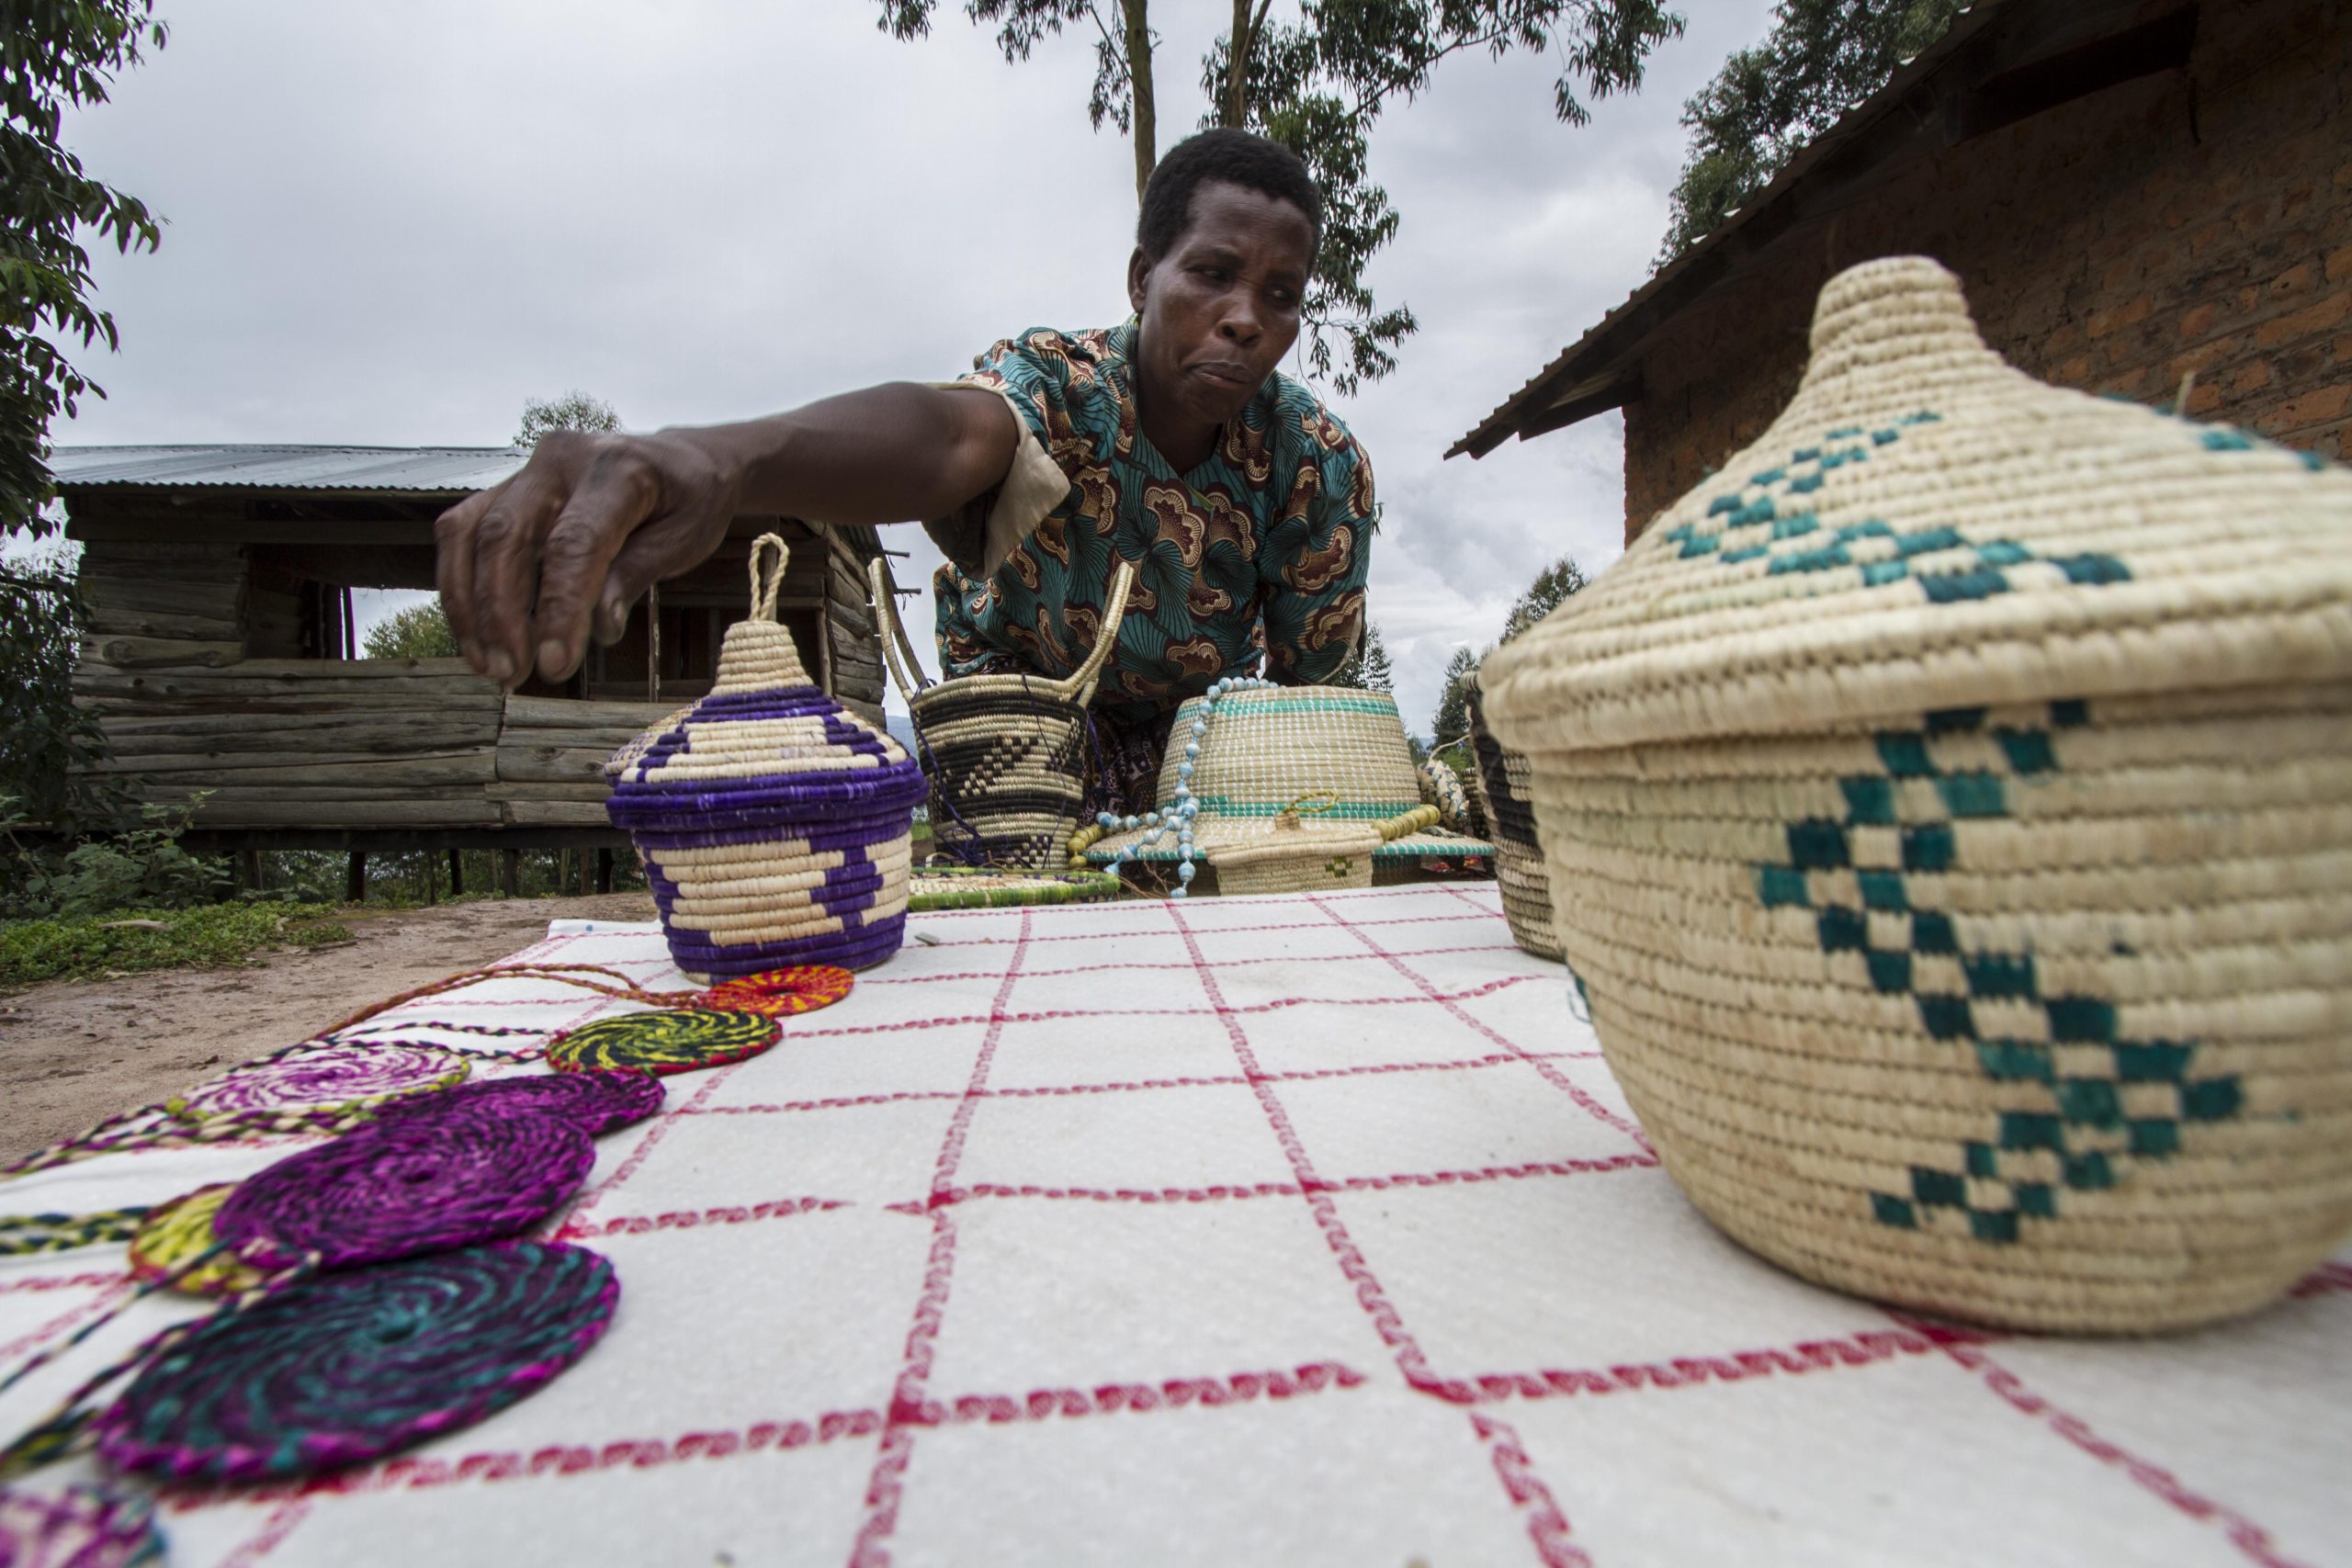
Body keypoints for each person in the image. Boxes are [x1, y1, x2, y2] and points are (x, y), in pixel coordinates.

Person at [433, 129, 1375, 816]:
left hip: (1198, 756)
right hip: (1012, 728)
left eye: (1281, 296)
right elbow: (949, 440)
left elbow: (1308, 711)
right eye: (1212, 273)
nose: (1246, 318)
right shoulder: (1056, 385)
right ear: (1143, 279)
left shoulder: (1315, 469)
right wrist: (722, 457)